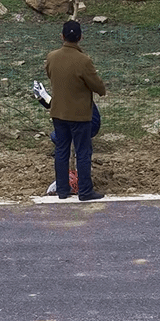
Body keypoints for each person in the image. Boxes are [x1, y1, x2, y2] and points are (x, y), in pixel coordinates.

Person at [44, 20, 107, 201]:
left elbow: (50, 75)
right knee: (83, 152)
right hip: (80, 115)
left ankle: (63, 189)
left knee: (61, 150)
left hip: (58, 112)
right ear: (81, 38)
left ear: (62, 36)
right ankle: (85, 191)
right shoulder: (84, 60)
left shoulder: (52, 57)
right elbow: (98, 86)